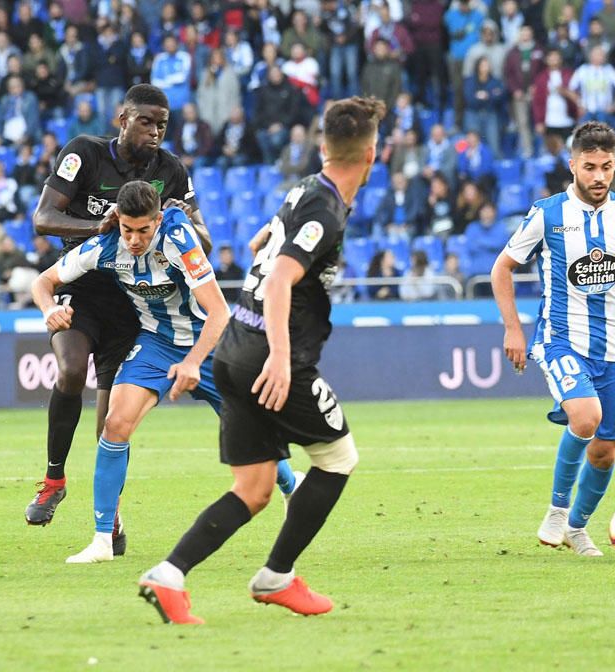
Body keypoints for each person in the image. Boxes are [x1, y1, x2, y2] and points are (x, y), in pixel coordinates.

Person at [138, 96, 386, 623]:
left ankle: (168, 575)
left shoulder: (303, 189)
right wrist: (279, 355)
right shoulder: (326, 207)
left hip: (231, 349)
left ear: (323, 148)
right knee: (338, 459)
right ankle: (276, 577)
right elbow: (277, 277)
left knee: (252, 489)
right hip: (269, 357)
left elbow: (260, 243)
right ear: (372, 154)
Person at [31, 182, 299, 563]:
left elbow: (219, 312)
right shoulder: (105, 245)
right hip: (157, 343)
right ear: (117, 221)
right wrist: (47, 310)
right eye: (128, 230)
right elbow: (43, 281)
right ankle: (103, 540)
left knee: (251, 434)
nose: (135, 239)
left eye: (144, 230)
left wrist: (192, 362)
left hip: (211, 342)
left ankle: (292, 485)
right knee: (115, 424)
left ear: (157, 221)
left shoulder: (179, 239)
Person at [23, 85, 210, 533]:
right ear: (121, 119)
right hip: (82, 281)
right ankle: (53, 480)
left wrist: (183, 220)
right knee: (69, 371)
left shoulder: (171, 170)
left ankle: (111, 515)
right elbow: (43, 218)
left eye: (162, 124)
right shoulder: (84, 154)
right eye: (146, 121)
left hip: (135, 297)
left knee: (112, 420)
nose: (155, 131)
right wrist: (101, 228)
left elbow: (204, 239)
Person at [490, 121, 615, 557]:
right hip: (559, 340)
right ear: (572, 165)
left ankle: (576, 527)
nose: (598, 176)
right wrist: (513, 328)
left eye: (606, 167)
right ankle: (556, 510)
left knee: (606, 450)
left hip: (611, 348)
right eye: (589, 166)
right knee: (586, 418)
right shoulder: (548, 214)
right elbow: (502, 268)